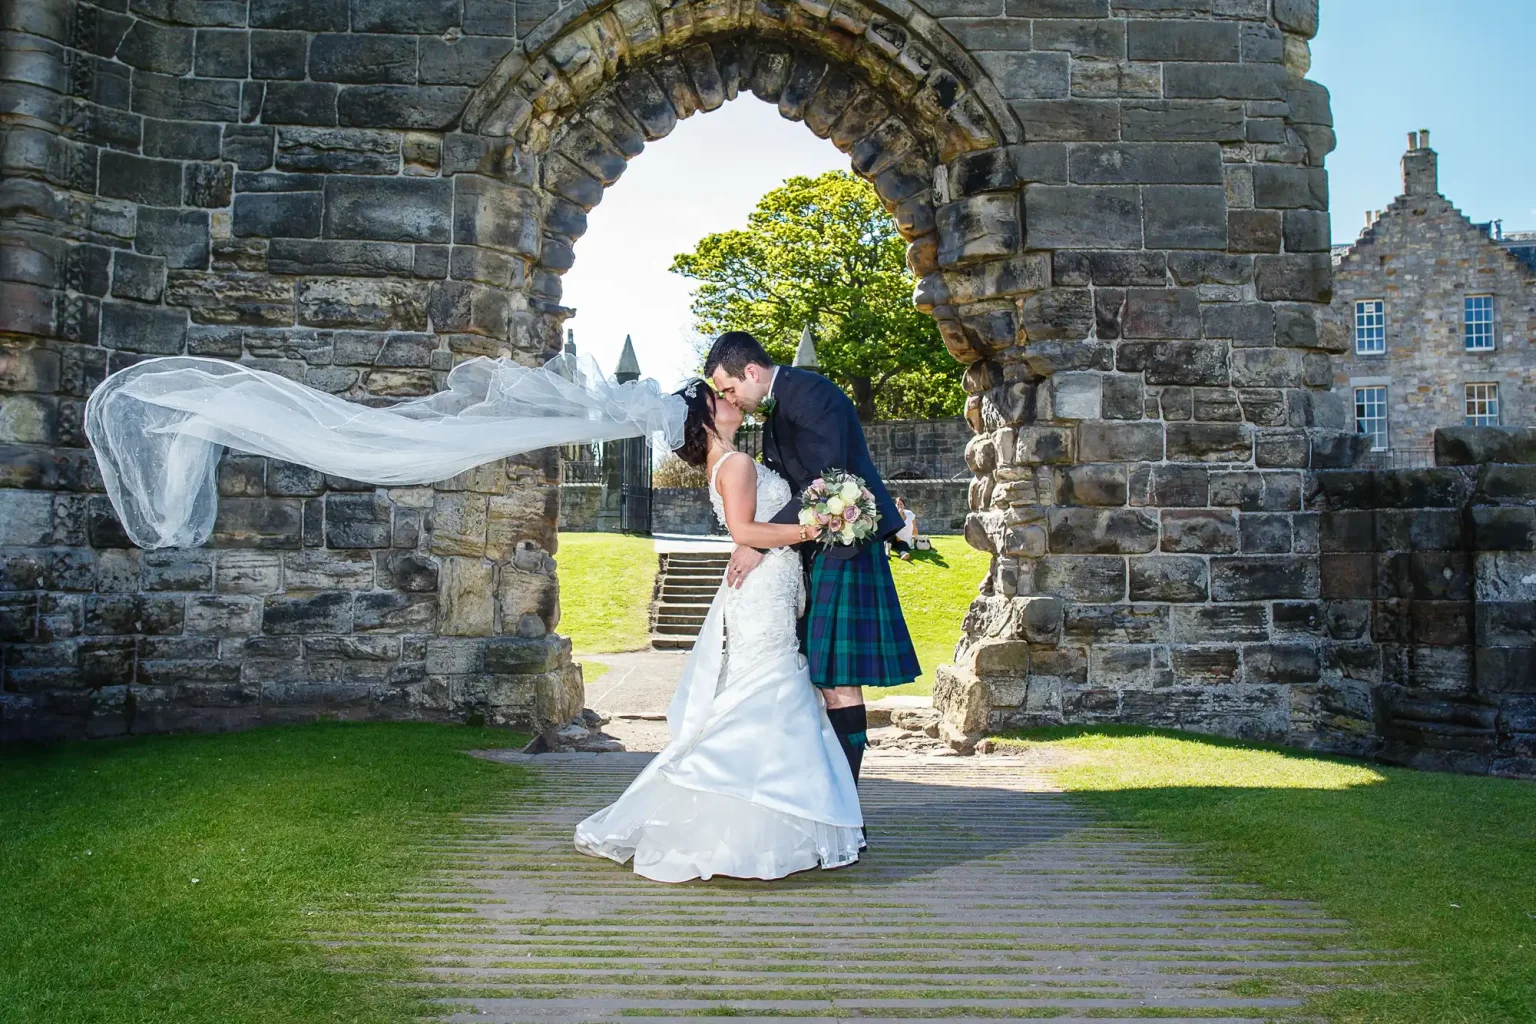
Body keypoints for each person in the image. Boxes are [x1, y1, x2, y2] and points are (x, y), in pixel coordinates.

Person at [574, 381, 864, 881]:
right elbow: (745, 532)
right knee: (770, 690)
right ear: (706, 419)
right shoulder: (735, 464)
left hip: (769, 586)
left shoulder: (730, 461)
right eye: (720, 397)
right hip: (763, 590)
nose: (732, 400)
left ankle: (774, 819)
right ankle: (762, 824)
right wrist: (813, 528)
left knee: (764, 691)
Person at [705, 331, 920, 784]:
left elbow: (825, 482)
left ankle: (845, 801)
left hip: (846, 550)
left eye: (729, 388)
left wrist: (758, 541)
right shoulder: (780, 408)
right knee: (823, 679)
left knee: (838, 681)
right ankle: (828, 797)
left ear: (751, 371)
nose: (730, 399)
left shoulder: (811, 395)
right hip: (816, 552)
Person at [890, 496, 918, 561]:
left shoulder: (909, 513)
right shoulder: (892, 515)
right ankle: (887, 553)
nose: (899, 506)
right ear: (895, 506)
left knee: (902, 545)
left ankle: (904, 554)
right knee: (890, 537)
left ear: (904, 506)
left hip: (905, 540)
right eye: (898, 504)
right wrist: (899, 514)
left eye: (901, 504)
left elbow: (914, 528)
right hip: (894, 538)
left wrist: (916, 538)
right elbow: (892, 528)